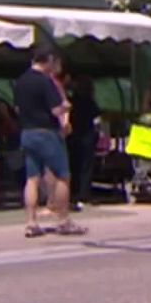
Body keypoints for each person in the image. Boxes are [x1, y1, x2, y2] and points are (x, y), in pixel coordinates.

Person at [15, 48, 84, 238]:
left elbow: (17, 107)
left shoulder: (20, 81)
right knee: (63, 176)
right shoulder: (45, 81)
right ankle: (63, 220)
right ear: (49, 61)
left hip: (27, 132)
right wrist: (66, 107)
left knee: (32, 178)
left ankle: (31, 222)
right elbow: (56, 110)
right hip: (46, 133)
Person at [64, 73, 103, 207]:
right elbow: (97, 120)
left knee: (73, 165)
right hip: (87, 135)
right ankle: (84, 194)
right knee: (86, 166)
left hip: (73, 136)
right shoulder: (90, 102)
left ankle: (72, 192)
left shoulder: (70, 101)